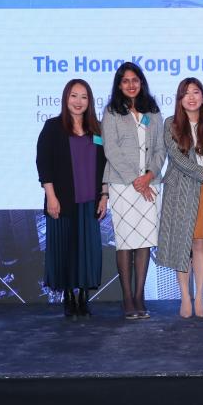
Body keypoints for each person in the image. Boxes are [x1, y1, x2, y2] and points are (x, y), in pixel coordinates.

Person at [157, 77, 203, 318]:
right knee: (182, 246)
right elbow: (178, 160)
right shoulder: (171, 124)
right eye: (185, 93)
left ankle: (199, 297)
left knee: (201, 244)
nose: (191, 97)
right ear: (179, 99)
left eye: (196, 92)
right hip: (179, 191)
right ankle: (185, 298)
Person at [36, 79, 108, 318]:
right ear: (66, 98)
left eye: (84, 97)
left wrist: (104, 195)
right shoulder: (53, 127)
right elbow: (43, 163)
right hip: (62, 201)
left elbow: (105, 165)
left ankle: (83, 297)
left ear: (90, 101)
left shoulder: (97, 130)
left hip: (90, 200)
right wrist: (51, 197)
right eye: (74, 96)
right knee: (65, 251)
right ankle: (68, 295)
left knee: (87, 252)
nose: (78, 102)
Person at [102, 62, 166, 319]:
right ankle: (127, 298)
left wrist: (149, 176)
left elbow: (161, 148)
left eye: (135, 80)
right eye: (125, 80)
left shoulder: (153, 110)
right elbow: (111, 151)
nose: (131, 84)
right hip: (122, 186)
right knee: (126, 243)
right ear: (119, 85)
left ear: (142, 82)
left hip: (151, 185)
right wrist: (135, 180)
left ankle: (140, 296)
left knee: (145, 243)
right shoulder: (111, 112)